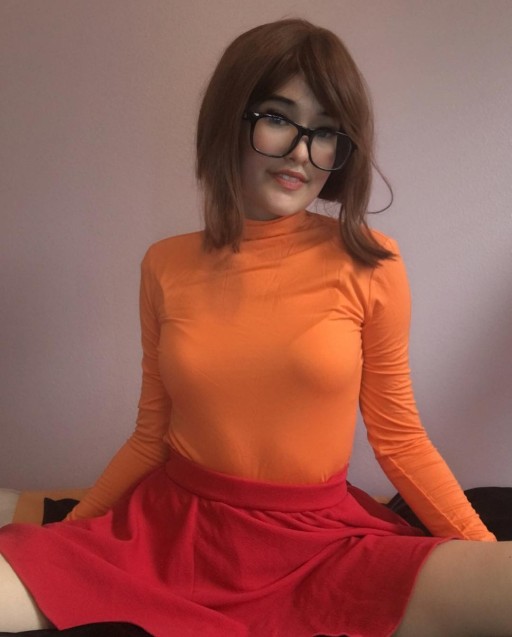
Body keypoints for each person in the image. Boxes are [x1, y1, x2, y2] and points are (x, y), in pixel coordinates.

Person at [0, 17, 511, 637]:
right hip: (173, 536)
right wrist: (74, 529)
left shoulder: (373, 263)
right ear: (230, 120)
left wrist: (483, 552)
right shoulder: (164, 265)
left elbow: (399, 440)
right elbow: (149, 436)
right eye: (278, 118)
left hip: (321, 548)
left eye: (326, 133)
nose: (301, 151)